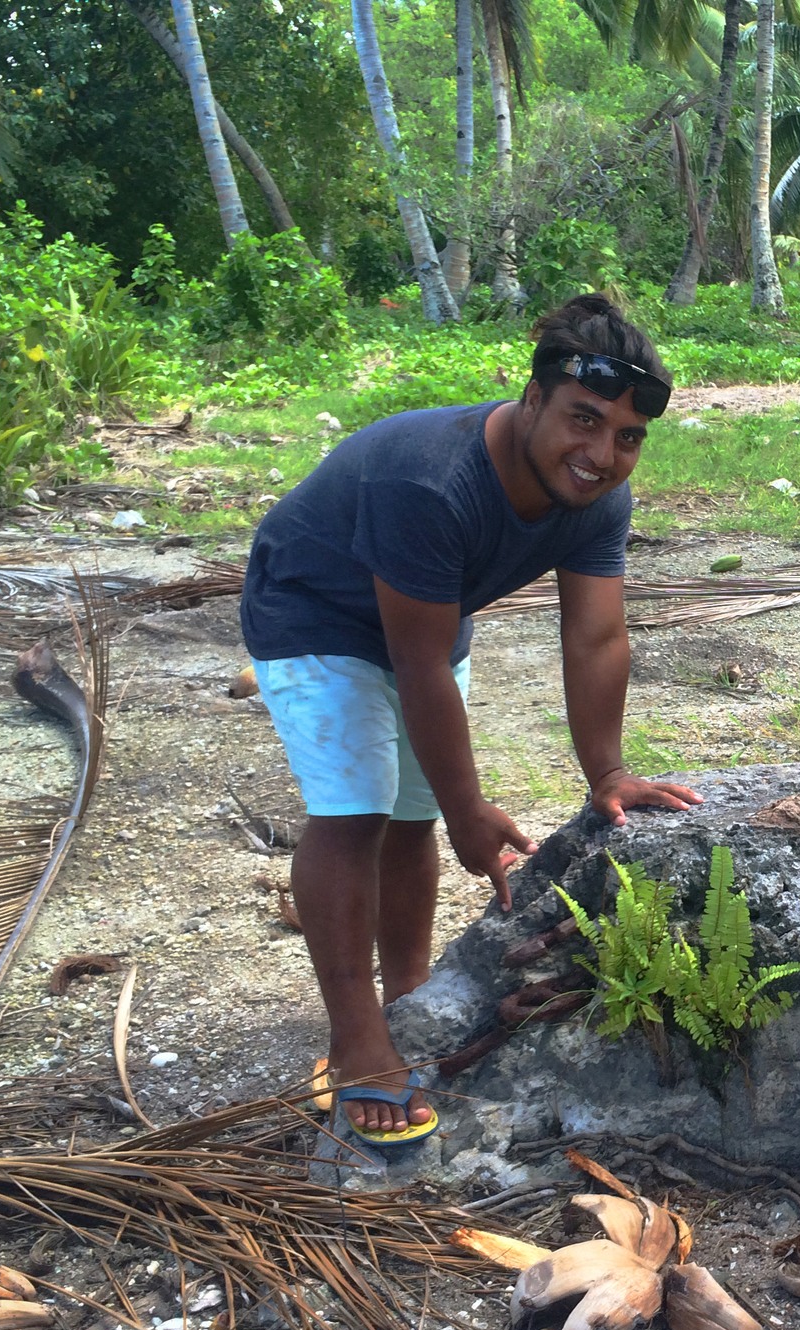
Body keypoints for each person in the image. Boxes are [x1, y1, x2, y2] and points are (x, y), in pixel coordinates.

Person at [239, 293, 702, 1148]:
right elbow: (414, 669)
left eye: (628, 436)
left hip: (426, 616)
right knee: (356, 812)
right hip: (312, 610)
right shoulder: (429, 479)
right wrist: (469, 810)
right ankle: (356, 1039)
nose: (601, 454)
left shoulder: (598, 499)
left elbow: (597, 636)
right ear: (530, 399)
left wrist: (608, 772)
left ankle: (406, 998)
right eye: (583, 420)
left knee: (409, 820)